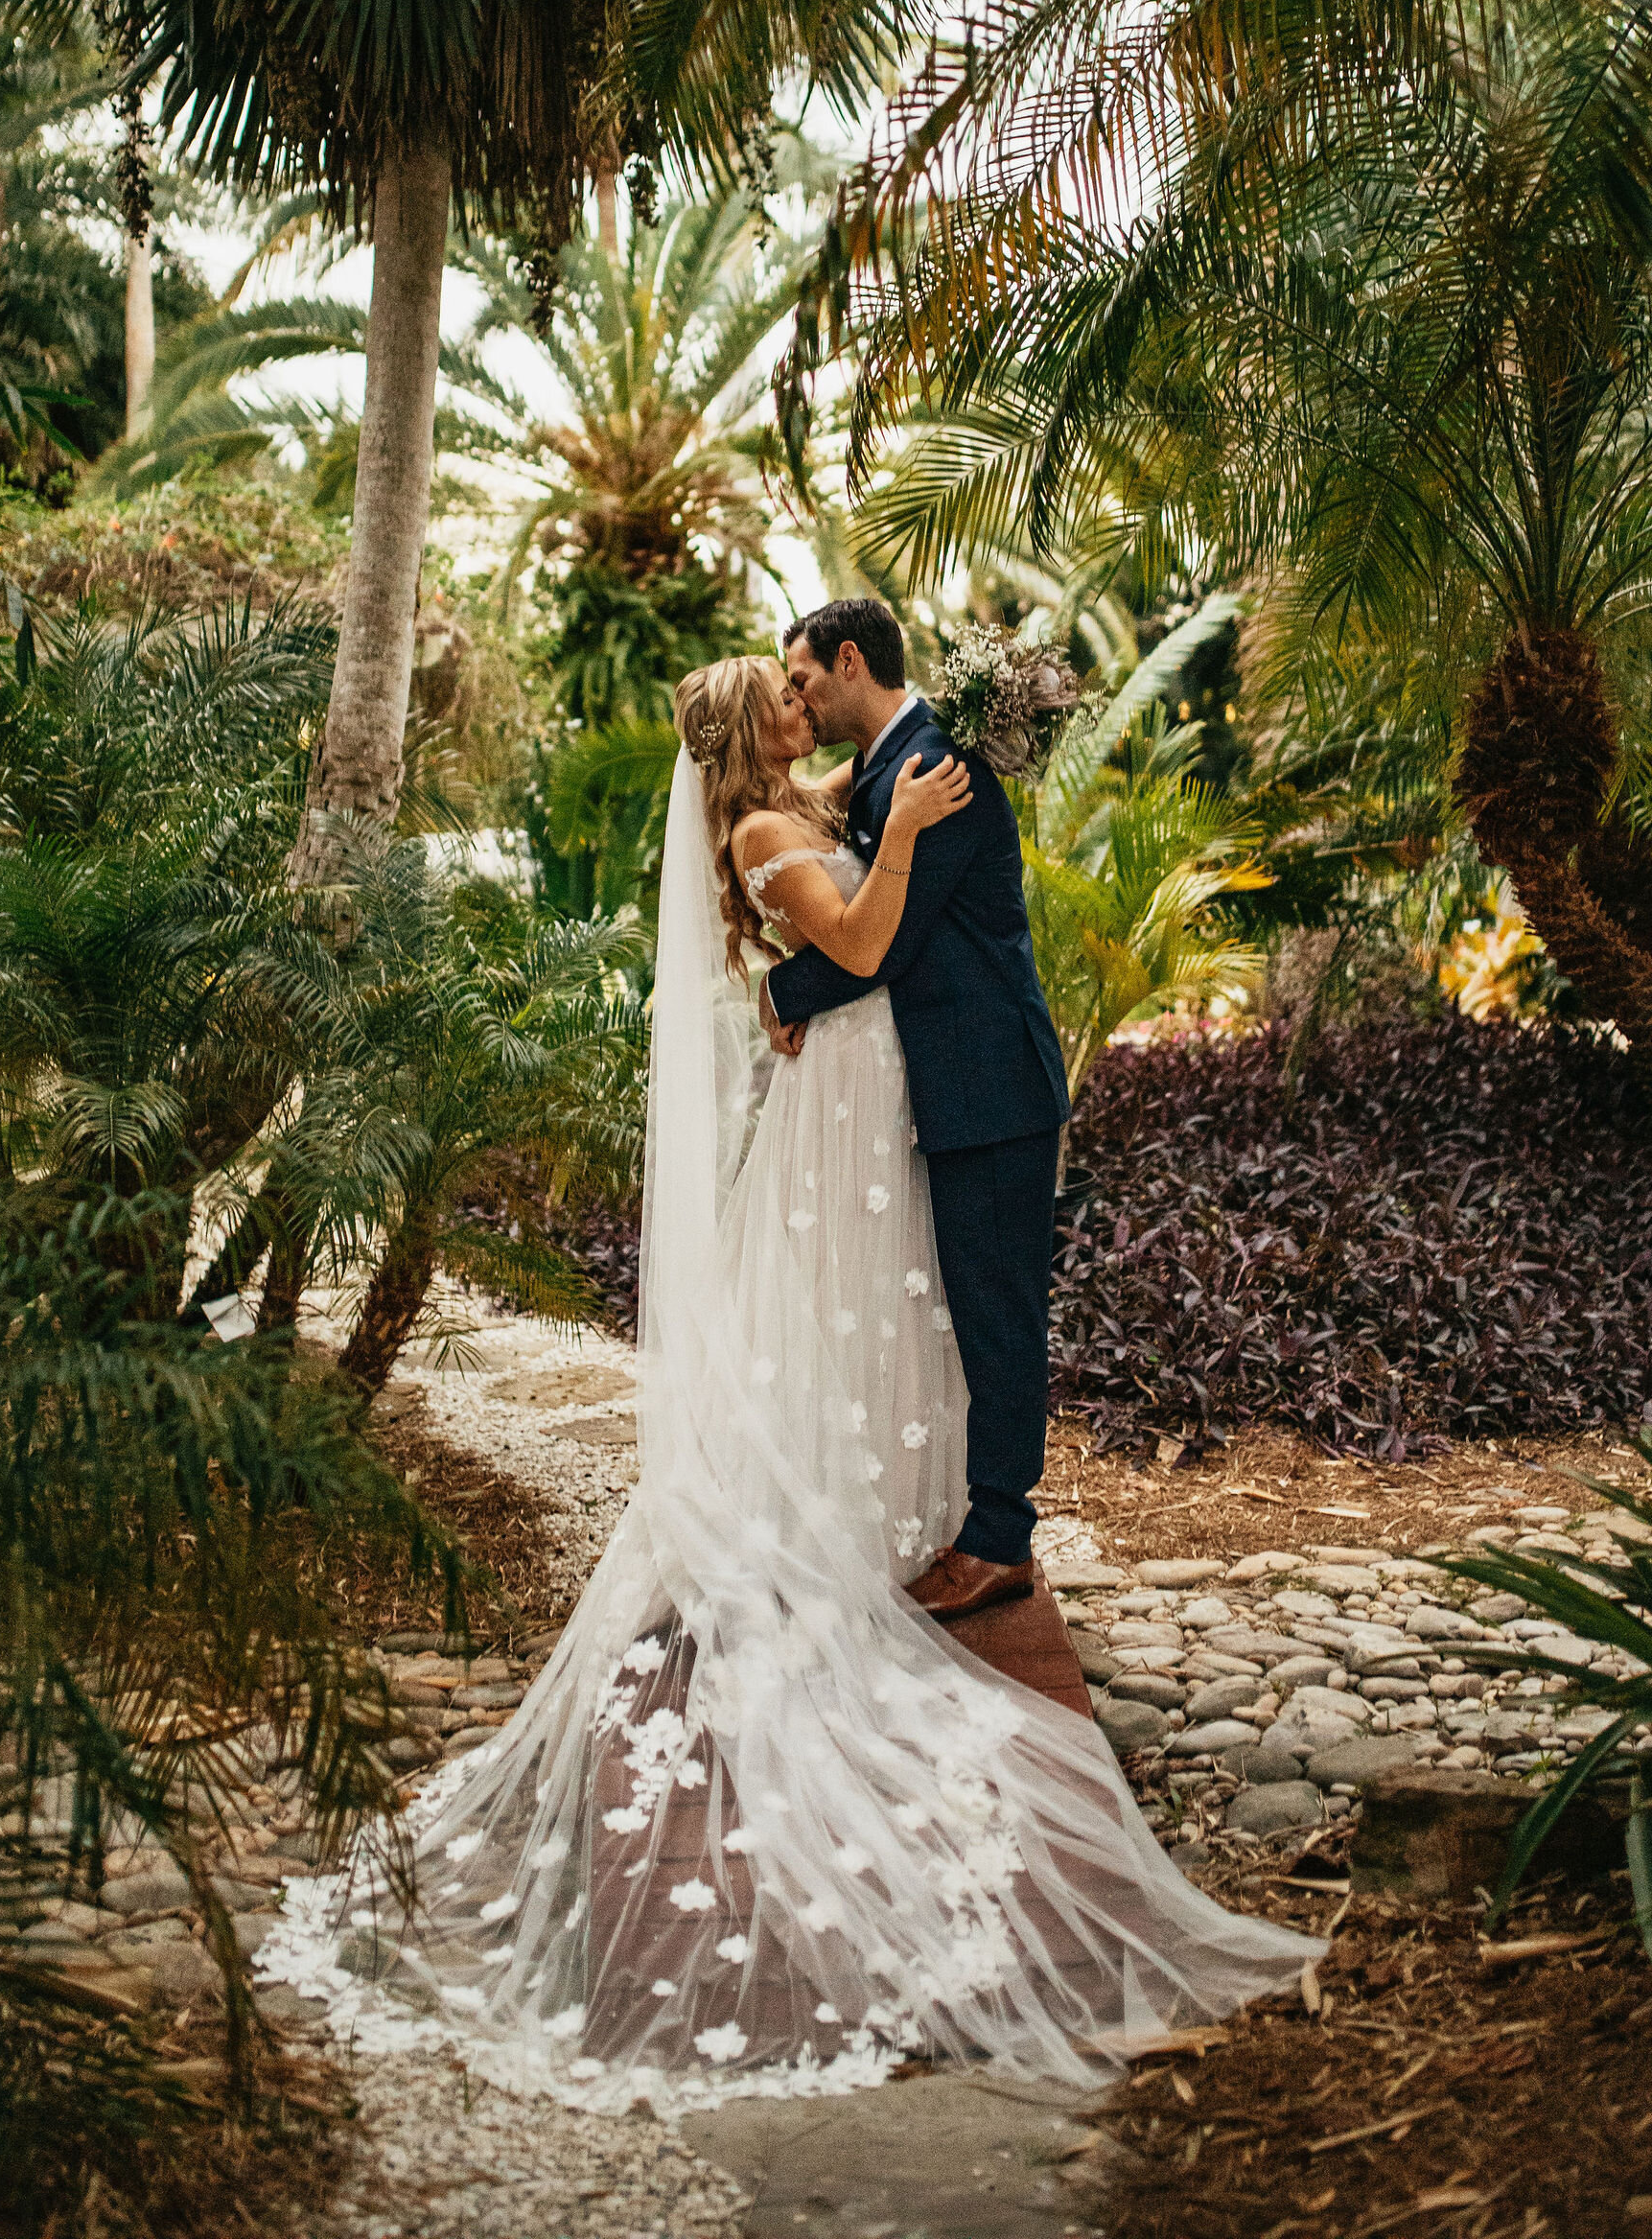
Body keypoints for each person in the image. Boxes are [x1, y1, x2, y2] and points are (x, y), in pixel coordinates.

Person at [261, 647, 1302, 2109]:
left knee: (888, 1308)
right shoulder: (763, 829)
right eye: (785, 697)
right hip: (851, 1099)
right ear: (757, 729)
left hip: (877, 1092)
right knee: (846, 1303)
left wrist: (841, 909)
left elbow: (844, 887)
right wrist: (890, 872)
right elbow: (869, 943)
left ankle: (911, 1497)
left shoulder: (809, 795)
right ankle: (850, 1516)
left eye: (811, 684)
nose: (803, 706)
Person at [758, 597, 1068, 1622]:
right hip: (957, 1086)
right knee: (971, 1310)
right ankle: (977, 1519)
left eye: (802, 679)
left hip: (991, 1088)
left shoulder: (936, 772)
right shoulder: (895, 764)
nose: (796, 696)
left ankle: (996, 1540)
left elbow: (877, 947)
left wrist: (779, 995)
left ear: (850, 661)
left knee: (997, 1315)